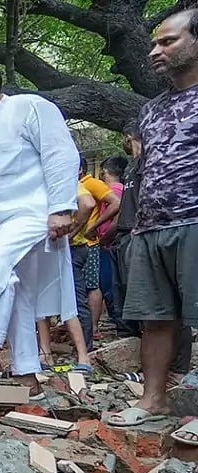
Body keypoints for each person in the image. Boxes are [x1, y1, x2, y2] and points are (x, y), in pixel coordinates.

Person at [0, 59, 80, 398]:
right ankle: (27, 381)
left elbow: (60, 155)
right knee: (17, 296)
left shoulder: (30, 107)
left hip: (32, 214)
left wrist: (61, 208)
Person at [110, 8, 198, 441]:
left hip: (195, 220)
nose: (154, 51)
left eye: (168, 41)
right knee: (156, 318)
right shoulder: (151, 109)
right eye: (153, 43)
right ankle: (154, 400)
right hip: (151, 226)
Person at [36, 185, 96, 371]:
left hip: (47, 241)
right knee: (65, 299)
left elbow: (87, 203)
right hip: (54, 242)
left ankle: (47, 354)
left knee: (51, 298)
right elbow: (87, 202)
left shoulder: (54, 177)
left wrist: (71, 232)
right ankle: (82, 357)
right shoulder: (58, 179)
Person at [74, 155, 121, 344]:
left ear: (79, 169)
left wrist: (93, 227)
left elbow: (116, 202)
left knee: (92, 287)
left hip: (88, 244)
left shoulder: (90, 183)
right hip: (82, 244)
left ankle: (92, 328)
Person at [97, 155, 128, 331]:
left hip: (109, 244)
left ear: (105, 171)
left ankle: (119, 321)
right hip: (110, 243)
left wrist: (103, 239)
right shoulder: (121, 188)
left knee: (109, 284)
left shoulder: (114, 190)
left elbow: (116, 220)